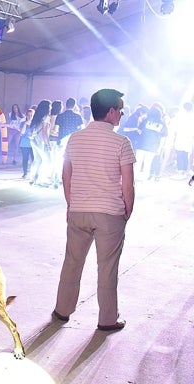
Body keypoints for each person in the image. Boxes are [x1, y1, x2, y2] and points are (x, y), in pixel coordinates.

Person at [53, 88, 135, 331]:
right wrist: (127, 210)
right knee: (107, 268)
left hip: (78, 211)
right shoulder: (121, 142)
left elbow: (66, 176)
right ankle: (108, 319)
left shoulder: (75, 138)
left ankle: (62, 310)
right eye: (120, 110)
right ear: (110, 112)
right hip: (109, 213)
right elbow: (128, 183)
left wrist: (72, 204)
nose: (121, 114)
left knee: (72, 262)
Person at [19, 108, 35, 179]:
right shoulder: (22, 123)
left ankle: (34, 173)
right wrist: (25, 125)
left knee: (34, 159)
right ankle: (25, 173)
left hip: (33, 144)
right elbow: (21, 133)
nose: (30, 116)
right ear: (26, 115)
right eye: (28, 115)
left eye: (31, 115)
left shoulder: (35, 123)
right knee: (25, 159)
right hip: (24, 144)